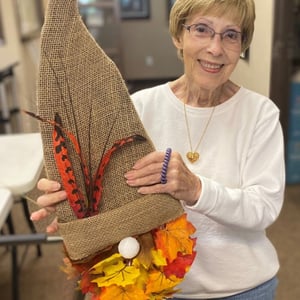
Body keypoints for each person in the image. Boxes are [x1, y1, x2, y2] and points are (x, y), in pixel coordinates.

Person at [31, 0, 285, 299]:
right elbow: (111, 193)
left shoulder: (260, 114)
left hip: (243, 289)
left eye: (231, 35)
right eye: (202, 29)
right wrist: (72, 203)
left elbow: (264, 208)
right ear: (179, 35)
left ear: (243, 44)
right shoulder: (140, 107)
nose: (216, 48)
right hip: (154, 287)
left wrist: (196, 189)